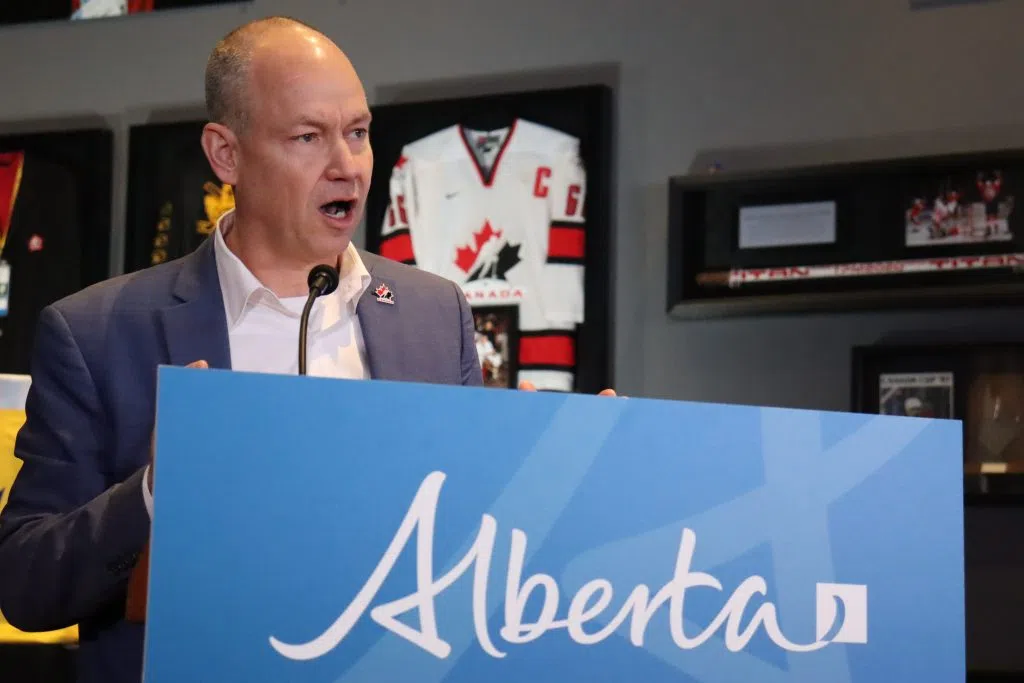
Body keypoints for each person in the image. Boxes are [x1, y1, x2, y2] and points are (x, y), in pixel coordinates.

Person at [0, 16, 615, 683]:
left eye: (357, 133)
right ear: (225, 154)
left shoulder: (434, 314)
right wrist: (152, 491)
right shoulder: (97, 333)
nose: (346, 165)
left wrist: (559, 469)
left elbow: (471, 555)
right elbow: (26, 583)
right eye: (309, 137)